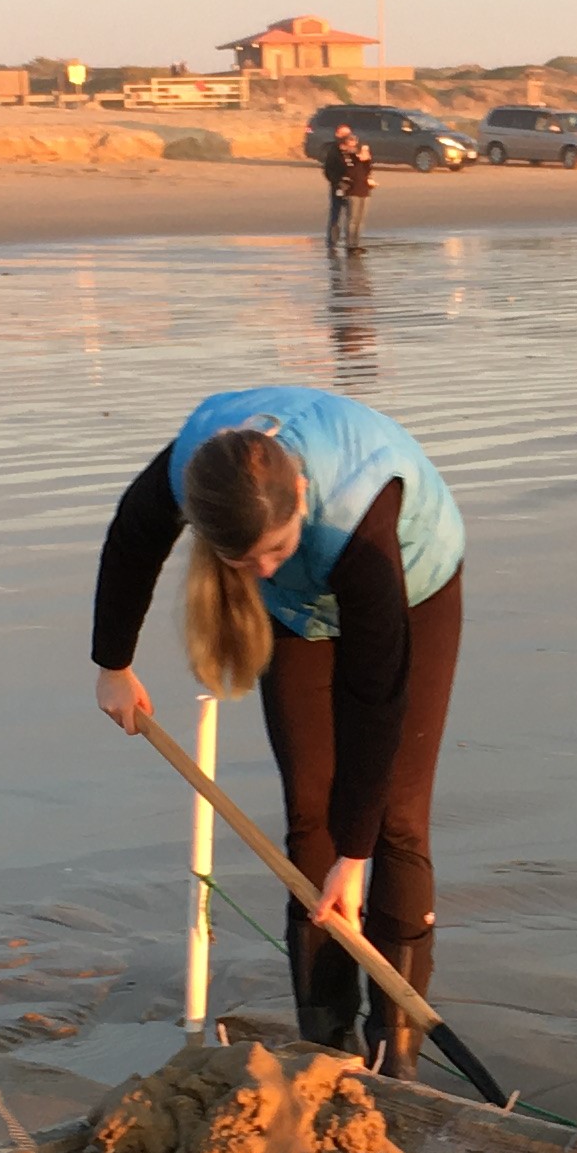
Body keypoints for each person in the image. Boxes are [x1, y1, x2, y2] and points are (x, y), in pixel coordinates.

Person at [90, 385, 467, 1073]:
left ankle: (398, 1063)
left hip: (414, 586)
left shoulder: (359, 514)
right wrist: (112, 663)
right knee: (307, 819)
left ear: (299, 496)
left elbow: (374, 696)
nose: (263, 569)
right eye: (244, 562)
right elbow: (132, 538)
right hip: (301, 613)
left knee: (395, 822)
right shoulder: (193, 471)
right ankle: (329, 1055)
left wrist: (355, 857)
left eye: (275, 550)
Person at [321, 122, 376, 253]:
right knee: (338, 215)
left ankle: (353, 243)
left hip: (360, 188)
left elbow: (366, 169)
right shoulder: (334, 151)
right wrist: (338, 182)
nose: (348, 136)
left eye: (349, 134)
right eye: (344, 134)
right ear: (338, 135)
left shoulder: (356, 152)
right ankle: (334, 242)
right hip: (341, 187)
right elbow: (330, 171)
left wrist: (365, 159)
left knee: (357, 218)